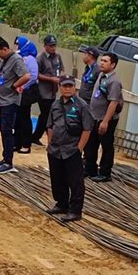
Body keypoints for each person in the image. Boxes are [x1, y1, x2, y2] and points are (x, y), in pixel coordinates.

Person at [46, 75, 93, 222]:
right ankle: (62, 204)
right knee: (57, 179)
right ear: (60, 87)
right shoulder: (55, 104)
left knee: (75, 182)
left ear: (74, 87)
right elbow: (49, 125)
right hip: (55, 149)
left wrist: (79, 149)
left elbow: (87, 129)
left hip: (71, 150)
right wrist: (50, 143)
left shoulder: (81, 106)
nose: (67, 89)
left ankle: (75, 211)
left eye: (70, 86)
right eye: (64, 86)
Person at [0, 37, 30, 173]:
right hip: (1, 101)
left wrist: (14, 86)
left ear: (5, 49)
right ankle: (5, 157)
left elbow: (26, 76)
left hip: (9, 101)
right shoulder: (6, 60)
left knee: (7, 131)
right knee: (3, 130)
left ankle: (8, 161)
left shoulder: (16, 59)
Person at [84, 52, 124, 182]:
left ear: (113, 65)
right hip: (94, 116)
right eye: (101, 60)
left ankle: (105, 172)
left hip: (106, 119)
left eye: (105, 61)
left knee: (106, 145)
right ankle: (90, 168)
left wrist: (105, 121)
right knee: (90, 144)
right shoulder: (101, 75)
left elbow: (113, 102)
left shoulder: (114, 82)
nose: (102, 63)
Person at [32, 34, 64, 146]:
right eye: (51, 46)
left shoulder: (57, 57)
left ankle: (36, 136)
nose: (53, 48)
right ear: (45, 46)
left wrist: (60, 79)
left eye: (54, 45)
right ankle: (40, 136)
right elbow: (36, 74)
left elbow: (60, 70)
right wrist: (50, 79)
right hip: (43, 91)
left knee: (46, 115)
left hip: (53, 91)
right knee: (47, 114)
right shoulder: (40, 58)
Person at [13, 36, 39, 154]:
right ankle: (17, 143)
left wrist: (22, 86)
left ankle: (26, 144)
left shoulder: (29, 59)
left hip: (27, 92)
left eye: (17, 44)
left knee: (24, 118)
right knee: (17, 118)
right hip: (20, 91)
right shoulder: (20, 57)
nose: (16, 46)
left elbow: (33, 76)